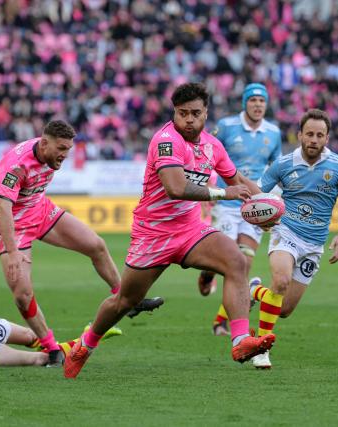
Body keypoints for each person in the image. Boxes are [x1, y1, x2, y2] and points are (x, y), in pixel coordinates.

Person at [64, 83, 276, 379]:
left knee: (236, 261)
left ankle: (240, 341)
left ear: (206, 114)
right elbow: (175, 188)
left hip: (190, 230)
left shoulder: (213, 146)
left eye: (195, 113)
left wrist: (267, 206)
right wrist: (223, 194)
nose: (189, 119)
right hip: (153, 234)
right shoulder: (166, 140)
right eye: (182, 113)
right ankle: (85, 346)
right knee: (125, 301)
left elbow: (237, 177)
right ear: (174, 113)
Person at [0, 120, 162, 366]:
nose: (64, 155)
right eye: (61, 149)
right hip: (13, 226)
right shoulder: (16, 165)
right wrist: (12, 250)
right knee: (22, 294)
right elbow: (3, 207)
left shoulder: (50, 157)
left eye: (68, 149)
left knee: (96, 245)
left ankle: (126, 299)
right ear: (44, 143)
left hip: (39, 211)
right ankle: (51, 349)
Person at [248, 109, 338, 369]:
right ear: (299, 134)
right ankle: (262, 348)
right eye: (309, 133)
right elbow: (257, 194)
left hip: (314, 245)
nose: (313, 139)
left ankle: (253, 290)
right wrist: (262, 216)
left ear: (327, 138)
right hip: (285, 232)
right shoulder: (283, 164)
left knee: (284, 309)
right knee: (280, 281)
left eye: (319, 135)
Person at [197, 82, 282, 336]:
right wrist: (207, 190)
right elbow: (205, 155)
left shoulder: (273, 133)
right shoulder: (225, 127)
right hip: (226, 201)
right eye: (253, 100)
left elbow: (275, 168)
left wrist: (274, 200)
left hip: (253, 205)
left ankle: (221, 321)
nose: (258, 105)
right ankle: (207, 273)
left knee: (243, 263)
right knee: (223, 259)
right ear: (245, 102)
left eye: (262, 101)